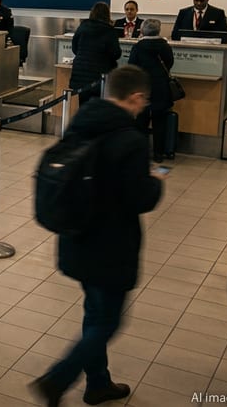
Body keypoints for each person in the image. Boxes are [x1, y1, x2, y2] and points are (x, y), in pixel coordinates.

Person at [31, 65, 164, 407]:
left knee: (95, 314)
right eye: (143, 101)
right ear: (135, 97)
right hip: (111, 245)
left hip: (77, 235)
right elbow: (140, 198)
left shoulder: (83, 120)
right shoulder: (131, 140)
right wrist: (155, 182)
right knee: (107, 322)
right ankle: (57, 379)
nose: (143, 107)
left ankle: (98, 383)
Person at [127, 19, 175, 164]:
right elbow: (170, 63)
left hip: (142, 87)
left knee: (141, 121)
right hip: (161, 87)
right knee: (160, 121)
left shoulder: (139, 46)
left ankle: (141, 152)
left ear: (142, 30)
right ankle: (158, 154)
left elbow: (132, 65)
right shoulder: (165, 46)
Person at [69, 2, 122, 105]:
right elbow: (116, 53)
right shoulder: (109, 30)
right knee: (99, 106)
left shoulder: (83, 27)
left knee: (83, 104)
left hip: (81, 73)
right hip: (99, 74)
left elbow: (75, 48)